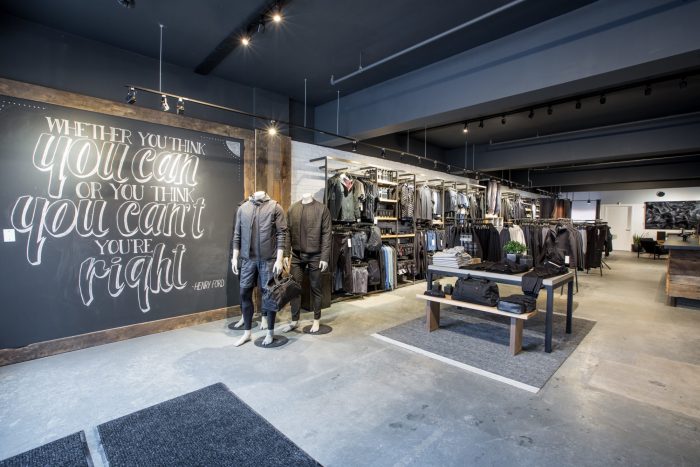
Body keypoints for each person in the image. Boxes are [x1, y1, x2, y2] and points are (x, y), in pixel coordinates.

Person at [230, 191, 286, 346]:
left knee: (269, 295)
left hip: (268, 260)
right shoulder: (243, 208)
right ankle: (247, 333)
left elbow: (282, 234)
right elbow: (237, 234)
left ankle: (270, 332)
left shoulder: (275, 207)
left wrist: (279, 259)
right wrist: (234, 257)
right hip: (247, 260)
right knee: (244, 293)